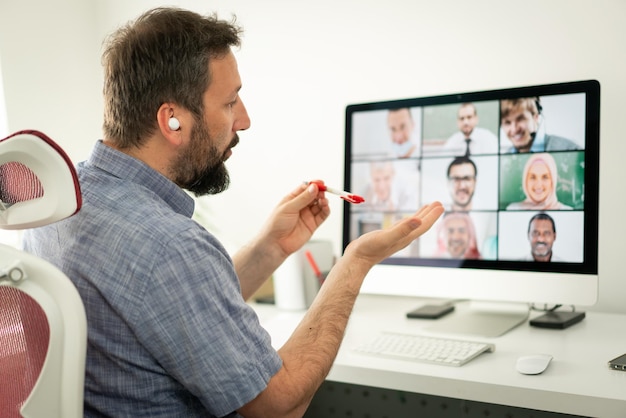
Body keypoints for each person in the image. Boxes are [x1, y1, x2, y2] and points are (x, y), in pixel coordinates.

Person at [21, 7, 443, 418]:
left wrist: (269, 249)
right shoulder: (171, 246)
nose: (244, 120)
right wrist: (355, 262)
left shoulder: (57, 200)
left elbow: (171, 310)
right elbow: (281, 404)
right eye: (230, 102)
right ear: (172, 120)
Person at [500, 97, 581, 153]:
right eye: (507, 122)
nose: (514, 129)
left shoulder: (570, 150)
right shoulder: (505, 160)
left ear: (535, 118)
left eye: (521, 119)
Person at [507, 153, 572, 210]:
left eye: (545, 177)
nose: (538, 185)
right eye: (533, 177)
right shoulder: (512, 208)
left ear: (553, 181)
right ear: (525, 181)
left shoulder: (568, 211)